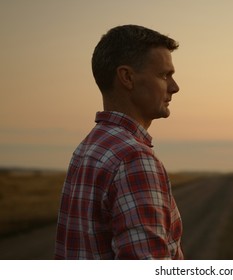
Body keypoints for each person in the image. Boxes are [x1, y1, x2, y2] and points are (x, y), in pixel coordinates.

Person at [55, 25, 183, 259]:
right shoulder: (134, 159)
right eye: (164, 75)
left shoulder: (90, 147)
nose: (174, 87)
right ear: (127, 77)